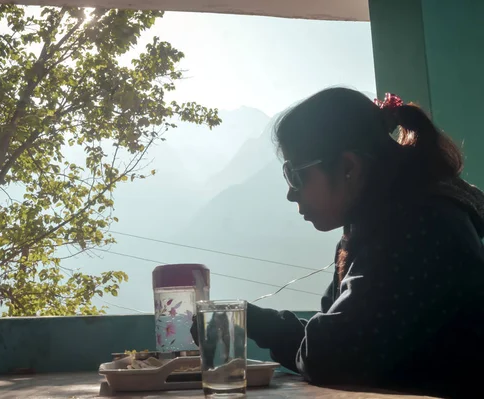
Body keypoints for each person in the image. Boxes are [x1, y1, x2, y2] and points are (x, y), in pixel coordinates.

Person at [192, 88, 484, 398]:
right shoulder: (377, 226)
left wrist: (262, 324)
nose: (291, 193)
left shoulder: (420, 228)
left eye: (295, 174)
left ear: (348, 168)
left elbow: (329, 356)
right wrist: (250, 320)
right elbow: (330, 339)